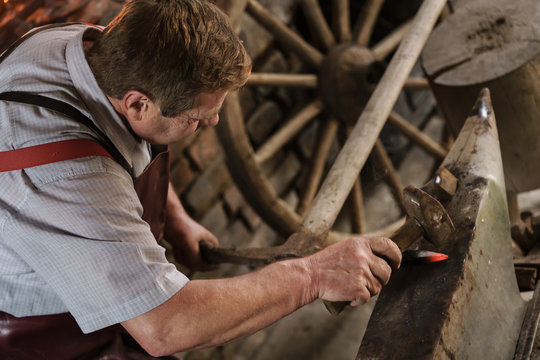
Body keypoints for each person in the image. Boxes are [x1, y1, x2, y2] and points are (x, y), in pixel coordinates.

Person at [0, 0, 402, 358]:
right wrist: (312, 276)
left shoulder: (87, 49)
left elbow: (119, 153)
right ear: (138, 104)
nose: (213, 121)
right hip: (49, 332)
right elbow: (165, 325)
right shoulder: (67, 179)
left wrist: (175, 218)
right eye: (197, 117)